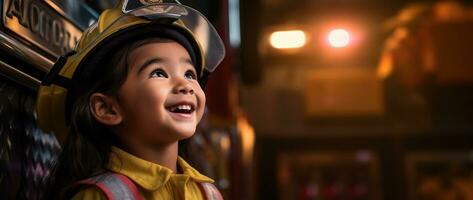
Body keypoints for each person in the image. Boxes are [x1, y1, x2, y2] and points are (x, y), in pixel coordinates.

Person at [35, 0, 225, 199]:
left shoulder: (209, 193)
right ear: (107, 108)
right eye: (159, 73)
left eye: (189, 74)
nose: (185, 85)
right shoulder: (97, 196)